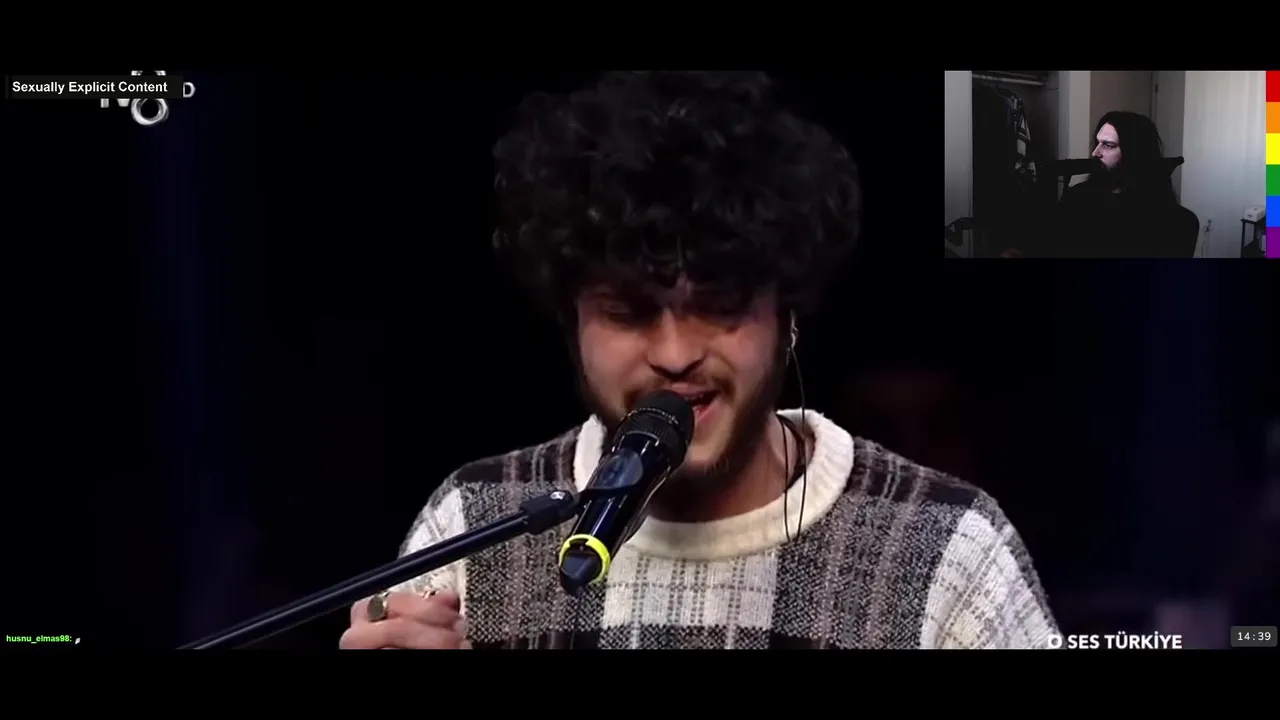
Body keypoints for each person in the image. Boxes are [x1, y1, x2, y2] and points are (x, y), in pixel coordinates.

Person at [338, 72, 1058, 650]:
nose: (676, 354)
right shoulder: (475, 525)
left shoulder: (946, 549)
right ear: (571, 320)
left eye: (719, 305)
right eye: (629, 313)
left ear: (788, 315)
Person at [1049, 111, 1197, 257]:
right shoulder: (1077, 199)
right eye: (1098, 143)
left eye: (1108, 145)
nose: (1095, 152)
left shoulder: (1179, 221)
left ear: (1134, 152)